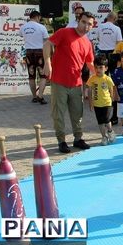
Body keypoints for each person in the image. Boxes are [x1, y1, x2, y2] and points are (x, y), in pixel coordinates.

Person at [43, 11, 96, 153]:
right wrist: (47, 62)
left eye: (89, 24)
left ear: (92, 26)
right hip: (59, 82)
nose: (86, 26)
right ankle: (61, 141)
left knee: (78, 113)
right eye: (84, 22)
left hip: (76, 83)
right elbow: (48, 44)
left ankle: (78, 139)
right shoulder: (64, 33)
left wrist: (99, 77)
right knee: (58, 113)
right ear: (78, 21)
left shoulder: (87, 43)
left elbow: (90, 63)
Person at [19, 10, 49, 104]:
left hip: (28, 53)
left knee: (31, 76)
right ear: (37, 17)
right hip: (40, 52)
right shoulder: (41, 27)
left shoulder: (23, 27)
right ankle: (40, 96)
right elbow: (47, 40)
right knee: (43, 76)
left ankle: (34, 97)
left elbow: (21, 35)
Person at [86, 54, 116, 146]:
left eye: (100, 68)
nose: (98, 70)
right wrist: (91, 103)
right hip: (97, 104)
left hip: (107, 103)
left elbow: (112, 89)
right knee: (100, 122)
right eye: (96, 68)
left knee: (106, 119)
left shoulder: (108, 79)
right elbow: (90, 91)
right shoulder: (92, 79)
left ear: (106, 68)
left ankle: (110, 131)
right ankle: (104, 136)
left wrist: (112, 98)